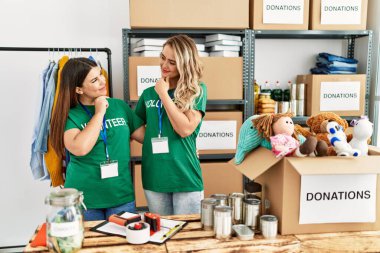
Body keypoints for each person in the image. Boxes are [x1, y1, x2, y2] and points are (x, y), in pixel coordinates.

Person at [50, 57, 145, 221]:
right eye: (94, 80)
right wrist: (99, 112)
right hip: (84, 200)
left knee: (123, 246)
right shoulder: (69, 114)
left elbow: (145, 137)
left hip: (121, 196)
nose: (102, 81)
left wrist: (185, 142)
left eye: (100, 75)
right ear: (79, 89)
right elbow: (80, 148)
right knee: (90, 246)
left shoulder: (119, 106)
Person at [135, 34, 207, 215]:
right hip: (155, 176)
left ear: (185, 64)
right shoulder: (148, 94)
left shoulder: (196, 90)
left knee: (187, 237)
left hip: (185, 175)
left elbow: (184, 129)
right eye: (162, 58)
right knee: (161, 233)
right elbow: (136, 130)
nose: (164, 65)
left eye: (172, 62)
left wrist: (164, 95)